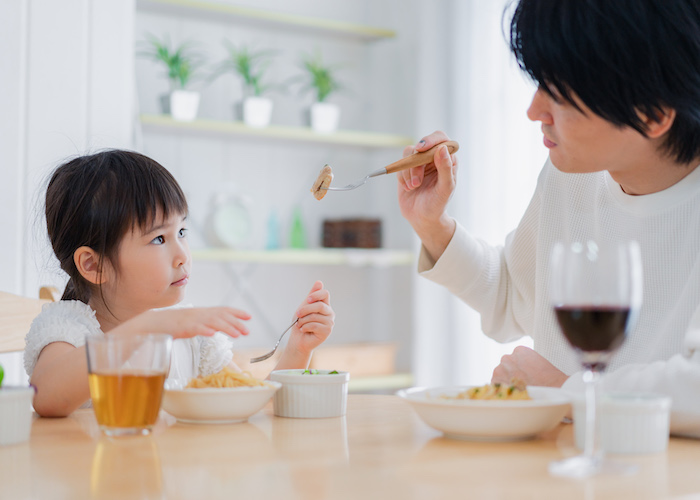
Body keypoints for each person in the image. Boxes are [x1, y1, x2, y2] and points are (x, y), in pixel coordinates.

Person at [397, 0, 700, 436]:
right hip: (559, 470)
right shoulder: (572, 176)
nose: (534, 110)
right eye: (540, 83)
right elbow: (511, 297)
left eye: (559, 93)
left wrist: (567, 391)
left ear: (653, 114)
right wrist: (432, 224)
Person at [25, 150, 335, 417]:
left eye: (182, 232)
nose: (182, 255)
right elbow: (46, 397)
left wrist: (297, 349)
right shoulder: (68, 329)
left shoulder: (191, 340)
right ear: (94, 265)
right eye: (159, 238)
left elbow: (247, 402)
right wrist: (152, 326)